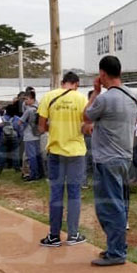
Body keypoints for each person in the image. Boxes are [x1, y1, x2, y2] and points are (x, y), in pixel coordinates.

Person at [83, 56, 137, 266]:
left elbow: (86, 116)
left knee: (108, 207)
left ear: (103, 74)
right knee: (120, 205)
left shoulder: (105, 99)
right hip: (124, 157)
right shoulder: (132, 96)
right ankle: (117, 248)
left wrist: (96, 92)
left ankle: (116, 253)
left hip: (107, 159)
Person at [38, 71, 89, 247]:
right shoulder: (82, 99)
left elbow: (41, 126)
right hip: (76, 152)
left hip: (55, 150)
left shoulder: (48, 97)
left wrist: (55, 129)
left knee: (56, 194)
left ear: (62, 82)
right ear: (76, 83)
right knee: (74, 194)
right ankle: (73, 235)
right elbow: (87, 127)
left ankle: (53, 236)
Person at [20, 91, 43, 181]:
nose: (25, 101)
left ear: (32, 99)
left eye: (27, 99)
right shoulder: (39, 108)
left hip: (29, 135)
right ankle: (40, 173)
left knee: (31, 156)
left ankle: (33, 174)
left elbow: (20, 122)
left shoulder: (28, 110)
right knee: (38, 155)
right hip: (37, 134)